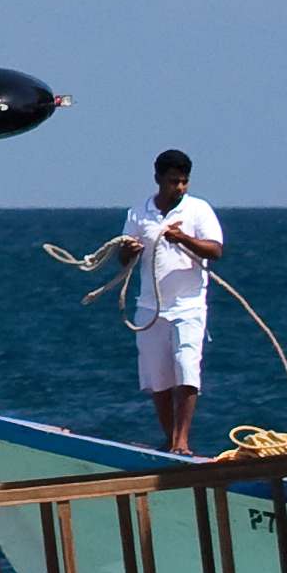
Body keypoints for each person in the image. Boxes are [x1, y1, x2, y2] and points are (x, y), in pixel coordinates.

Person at [93, 149, 228, 454]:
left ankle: (182, 441)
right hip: (150, 307)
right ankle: (170, 439)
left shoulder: (199, 210)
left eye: (183, 182)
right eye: (172, 181)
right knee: (158, 377)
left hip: (188, 306)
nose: (179, 187)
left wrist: (184, 239)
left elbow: (215, 250)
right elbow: (123, 258)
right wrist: (131, 249)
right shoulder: (139, 213)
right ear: (158, 179)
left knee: (186, 368)